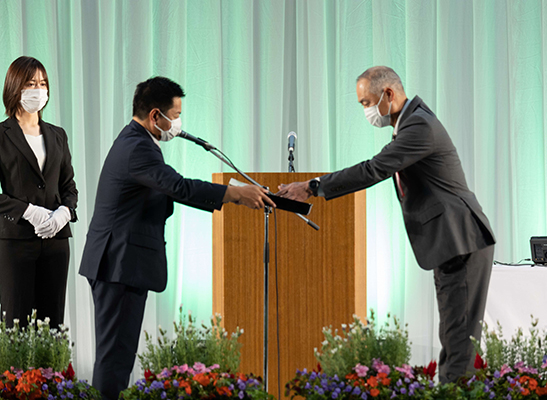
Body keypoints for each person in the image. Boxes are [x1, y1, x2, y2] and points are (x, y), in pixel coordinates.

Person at [277, 66, 496, 383]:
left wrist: (313, 186)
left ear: (388, 94)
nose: (366, 111)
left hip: (460, 239)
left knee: (459, 340)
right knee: (454, 335)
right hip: (453, 240)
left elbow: (373, 169)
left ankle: (455, 392)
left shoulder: (419, 126)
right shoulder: (411, 122)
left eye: (367, 103)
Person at [79, 76, 275, 400]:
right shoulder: (137, 147)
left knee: (118, 356)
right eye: (176, 115)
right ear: (155, 115)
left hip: (120, 262)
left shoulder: (136, 141)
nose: (178, 124)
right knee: (114, 359)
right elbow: (178, 186)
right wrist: (235, 194)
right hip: (117, 263)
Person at [0, 56, 78, 329]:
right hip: (16, 242)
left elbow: (68, 186)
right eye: (31, 83)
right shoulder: (1, 135)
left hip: (56, 242)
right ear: (15, 87)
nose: (38, 90)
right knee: (15, 324)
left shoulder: (58, 135)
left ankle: (52, 362)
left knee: (52, 324)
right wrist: (28, 212)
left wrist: (64, 212)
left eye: (42, 83)